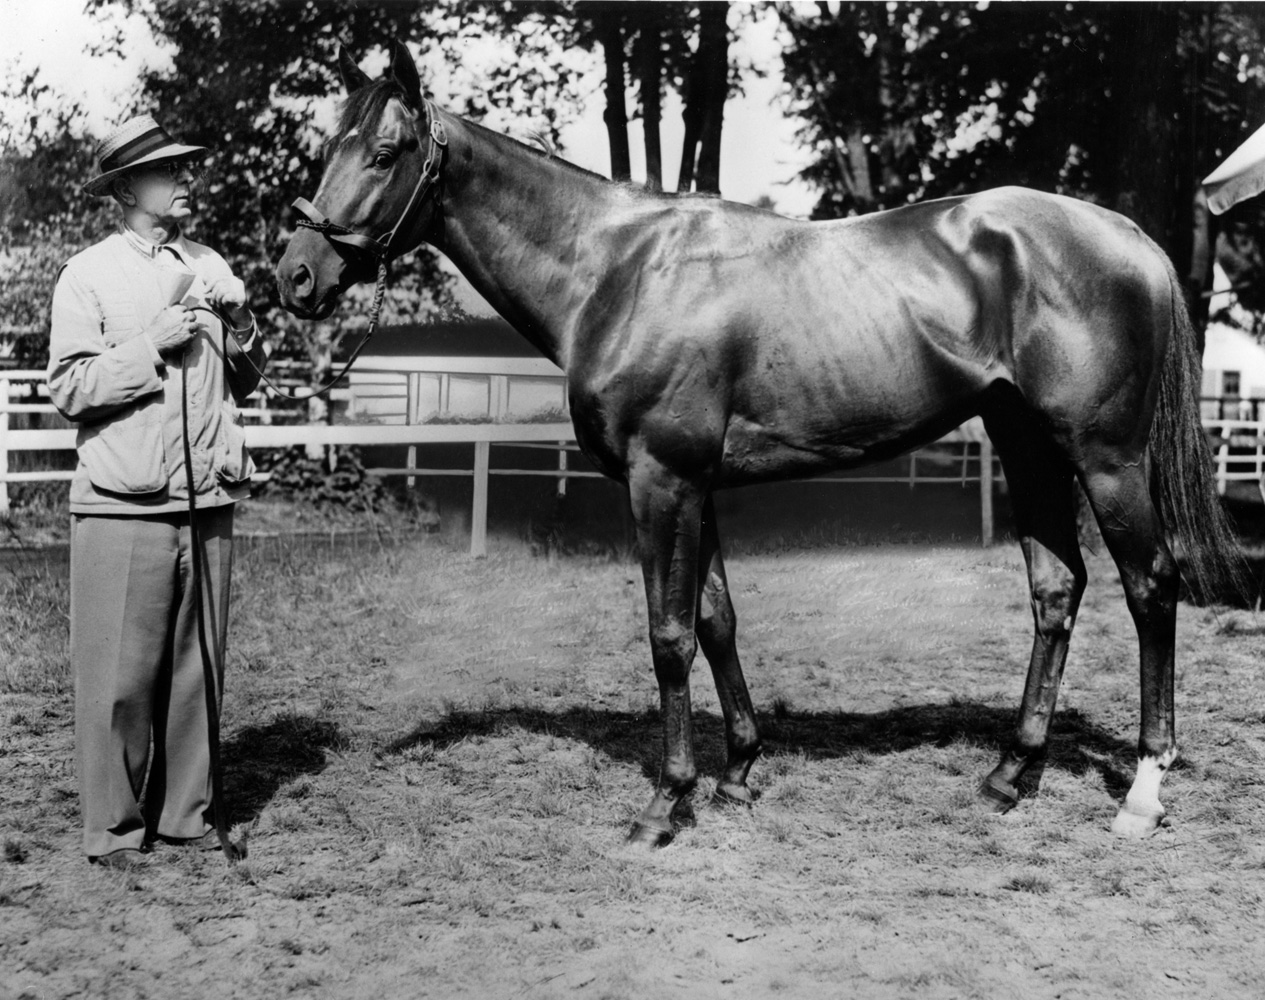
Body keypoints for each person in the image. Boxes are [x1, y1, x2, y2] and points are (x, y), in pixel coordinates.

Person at [47, 114, 266, 868]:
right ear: (127, 187)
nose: (187, 179)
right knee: (117, 680)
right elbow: (71, 387)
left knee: (196, 670)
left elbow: (250, 374)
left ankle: (184, 816)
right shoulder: (88, 273)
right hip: (122, 504)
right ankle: (112, 830)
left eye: (188, 167)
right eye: (171, 170)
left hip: (207, 501)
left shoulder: (208, 261)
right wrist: (152, 344)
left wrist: (237, 320)